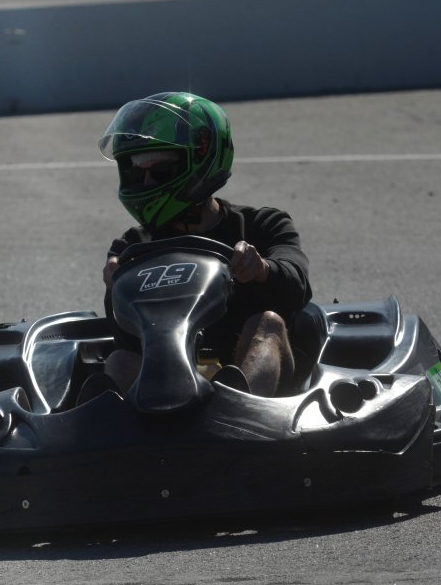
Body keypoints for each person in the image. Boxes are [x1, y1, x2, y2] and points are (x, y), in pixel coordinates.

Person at [97, 92, 311, 398]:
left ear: (201, 159)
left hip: (257, 396)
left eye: (160, 170)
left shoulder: (263, 225)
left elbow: (298, 286)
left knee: (267, 324)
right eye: (136, 170)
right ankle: (111, 424)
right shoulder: (132, 247)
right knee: (120, 360)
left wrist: (261, 269)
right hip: (161, 383)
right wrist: (118, 287)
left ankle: (239, 413)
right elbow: (126, 340)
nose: (147, 184)